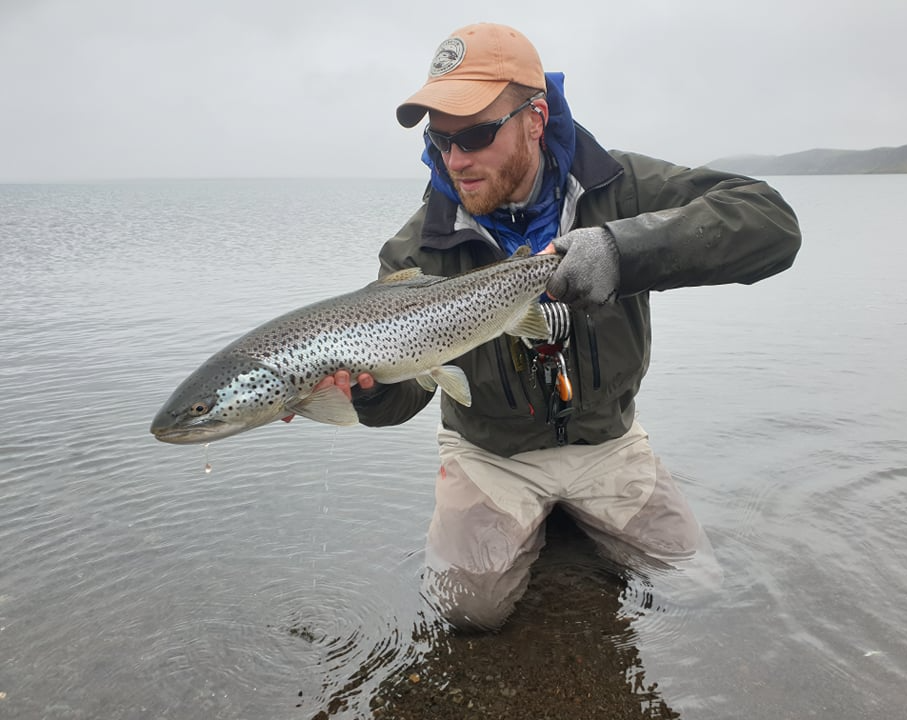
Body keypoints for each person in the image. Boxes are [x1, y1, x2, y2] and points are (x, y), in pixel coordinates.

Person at [325, 22, 801, 631]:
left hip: (608, 440)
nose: (456, 159)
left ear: (536, 117)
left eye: (474, 133)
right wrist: (366, 391)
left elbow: (771, 223)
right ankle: (547, 526)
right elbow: (402, 400)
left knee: (697, 589)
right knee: (463, 613)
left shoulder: (621, 188)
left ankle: (566, 523)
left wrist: (623, 249)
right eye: (440, 140)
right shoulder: (418, 249)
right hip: (489, 453)